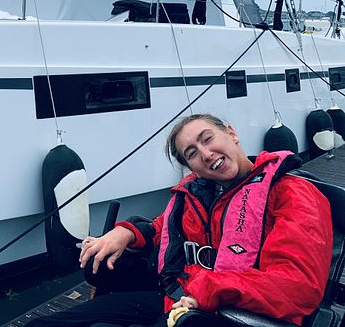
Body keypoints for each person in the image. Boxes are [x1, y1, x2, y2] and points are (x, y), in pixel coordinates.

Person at [27, 113, 332, 327]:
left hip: (224, 316)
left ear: (232, 133)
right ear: (192, 169)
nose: (206, 153)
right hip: (173, 298)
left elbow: (297, 286)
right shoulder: (200, 193)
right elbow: (164, 229)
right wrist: (125, 234)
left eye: (208, 138)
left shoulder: (292, 193)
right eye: (192, 153)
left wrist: (208, 290)